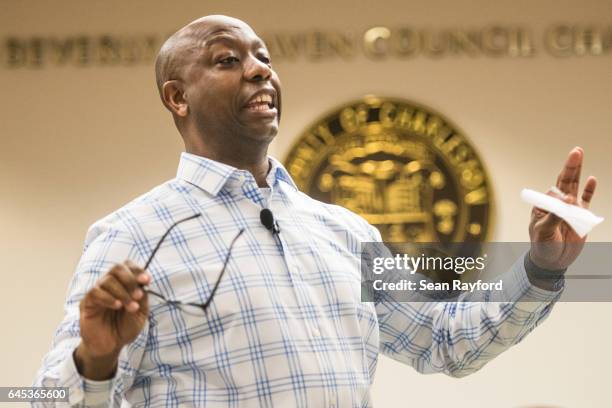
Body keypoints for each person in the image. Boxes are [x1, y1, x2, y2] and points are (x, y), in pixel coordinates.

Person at [34, 15, 597, 407]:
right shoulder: (131, 236)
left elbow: (445, 340)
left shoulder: (344, 233)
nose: (260, 70)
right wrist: (96, 358)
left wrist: (542, 268)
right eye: (228, 59)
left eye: (264, 57)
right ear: (177, 98)